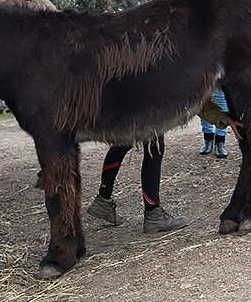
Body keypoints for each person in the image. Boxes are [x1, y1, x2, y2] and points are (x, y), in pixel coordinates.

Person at [85, 76, 242, 233]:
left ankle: (103, 199)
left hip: (132, 95)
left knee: (123, 144)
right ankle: (153, 214)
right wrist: (220, 116)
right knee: (153, 148)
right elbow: (190, 94)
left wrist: (219, 117)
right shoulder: (181, 58)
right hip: (148, 100)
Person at [185, 0, 231, 158]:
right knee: (204, 89)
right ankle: (207, 137)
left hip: (222, 40)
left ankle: (221, 139)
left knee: (221, 89)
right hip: (200, 42)